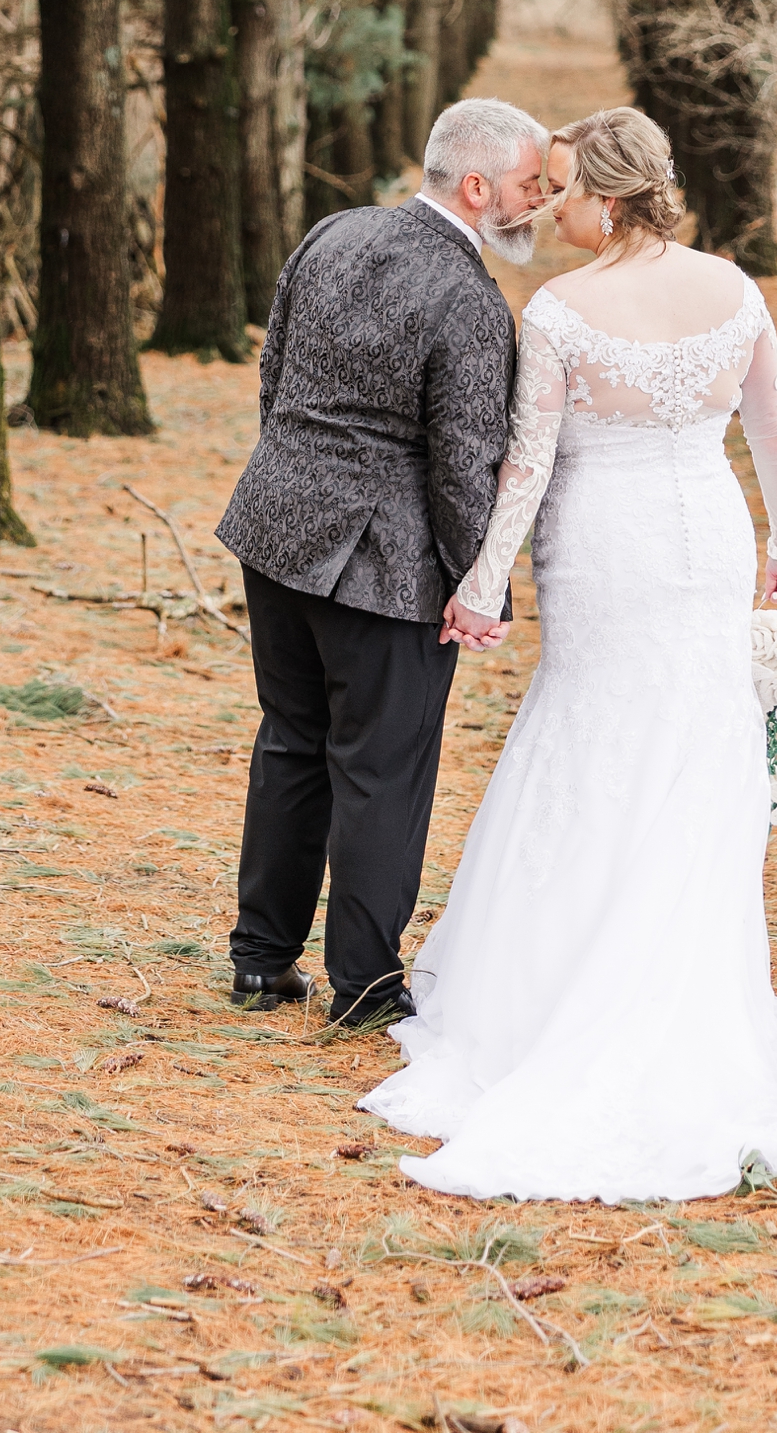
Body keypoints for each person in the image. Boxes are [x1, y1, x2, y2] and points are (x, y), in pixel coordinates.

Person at [359, 105, 777, 1199]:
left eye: (562, 190)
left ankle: (559, 992)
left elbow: (524, 467)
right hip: (707, 533)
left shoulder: (561, 311)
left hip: (606, 546)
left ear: (606, 201)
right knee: (689, 744)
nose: (549, 206)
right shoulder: (734, 290)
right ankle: (682, 982)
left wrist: (479, 588)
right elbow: (773, 431)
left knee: (591, 740)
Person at [216, 97, 547, 1029]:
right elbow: (464, 463)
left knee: (290, 744)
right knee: (380, 772)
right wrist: (479, 584)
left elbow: (274, 378)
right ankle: (364, 987)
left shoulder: (334, 232)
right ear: (476, 187)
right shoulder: (472, 300)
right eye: (527, 187)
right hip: (385, 569)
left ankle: (259, 960)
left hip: (275, 530)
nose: (535, 206)